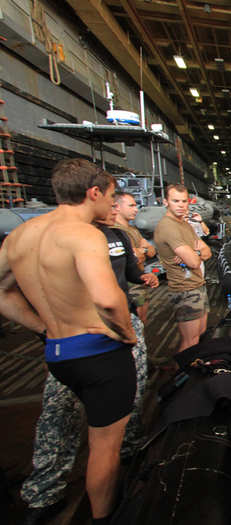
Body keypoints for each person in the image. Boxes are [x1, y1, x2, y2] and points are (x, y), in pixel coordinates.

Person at [0, 158, 136, 524]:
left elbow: (2, 292)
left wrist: (42, 326)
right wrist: (126, 331)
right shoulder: (84, 235)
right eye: (109, 196)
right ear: (92, 193)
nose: (113, 204)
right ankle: (102, 517)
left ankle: (45, 495)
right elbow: (107, 298)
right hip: (100, 353)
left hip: (58, 352)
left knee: (60, 421)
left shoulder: (19, 236)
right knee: (104, 447)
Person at [20, 200, 160, 524]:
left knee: (130, 403)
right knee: (59, 413)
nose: (115, 209)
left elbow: (130, 275)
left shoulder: (118, 236)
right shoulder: (60, 237)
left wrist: (145, 279)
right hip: (78, 332)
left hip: (112, 331)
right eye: (111, 202)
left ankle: (128, 459)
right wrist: (44, 327)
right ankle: (45, 492)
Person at [154, 184, 212, 352]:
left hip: (197, 285)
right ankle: (181, 374)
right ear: (166, 202)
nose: (180, 205)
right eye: (175, 201)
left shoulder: (184, 225)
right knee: (190, 341)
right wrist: (195, 256)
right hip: (185, 289)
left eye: (184, 201)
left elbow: (206, 252)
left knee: (199, 333)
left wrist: (194, 254)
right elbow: (194, 263)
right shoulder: (168, 227)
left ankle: (190, 368)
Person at [113, 191, 157, 323]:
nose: (135, 209)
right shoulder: (115, 231)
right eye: (131, 206)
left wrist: (141, 250)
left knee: (141, 323)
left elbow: (151, 252)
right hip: (129, 287)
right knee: (134, 324)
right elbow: (135, 258)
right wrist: (142, 250)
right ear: (117, 207)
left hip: (140, 282)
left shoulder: (133, 230)